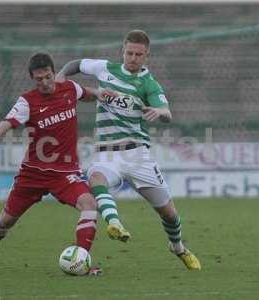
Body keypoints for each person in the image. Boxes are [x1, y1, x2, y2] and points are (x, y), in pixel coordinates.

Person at [0, 53, 113, 275]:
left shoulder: (69, 87)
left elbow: (85, 94)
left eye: (48, 77)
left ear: (54, 72)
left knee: (89, 204)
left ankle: (81, 263)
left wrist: (99, 93)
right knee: (4, 222)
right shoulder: (27, 102)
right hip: (33, 174)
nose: (44, 82)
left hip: (64, 173)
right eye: (38, 79)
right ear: (32, 78)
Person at [57, 30, 201, 270]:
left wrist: (160, 112)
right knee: (96, 177)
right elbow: (76, 64)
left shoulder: (148, 83)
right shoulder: (105, 68)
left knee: (170, 214)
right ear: (122, 51)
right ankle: (115, 223)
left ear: (147, 56)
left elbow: (167, 113)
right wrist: (61, 76)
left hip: (138, 156)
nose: (133, 58)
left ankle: (177, 247)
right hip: (108, 152)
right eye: (129, 53)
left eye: (139, 54)